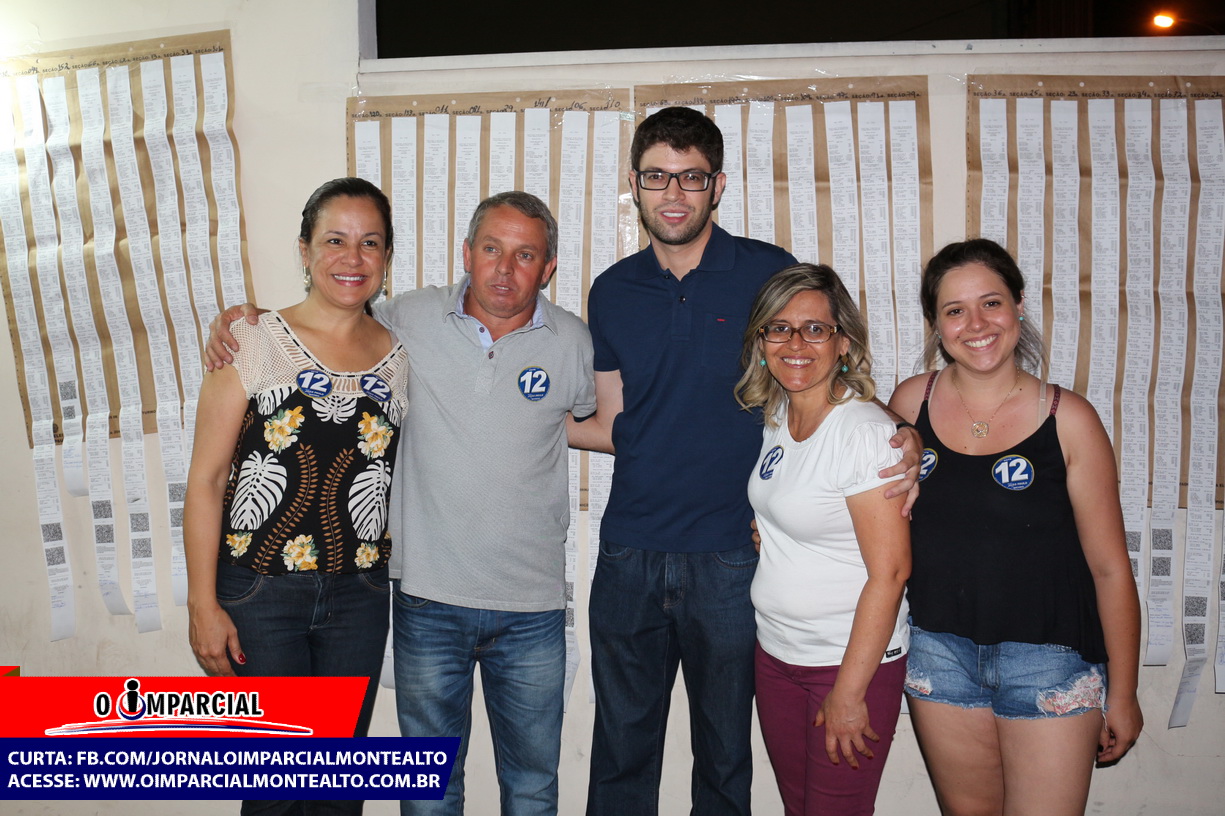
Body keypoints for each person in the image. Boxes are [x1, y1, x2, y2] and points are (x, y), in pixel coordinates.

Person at [566, 106, 921, 816]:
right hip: (630, 550)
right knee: (620, 752)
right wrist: (510, 422)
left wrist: (901, 428)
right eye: (657, 177)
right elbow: (611, 423)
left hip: (733, 555)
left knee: (725, 757)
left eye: (691, 177)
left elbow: (822, 362)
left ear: (718, 185)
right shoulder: (611, 290)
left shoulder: (767, 271)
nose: (673, 193)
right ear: (633, 185)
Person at [206, 191, 596, 816]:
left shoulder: (560, 341)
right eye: (491, 249)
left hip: (453, 602)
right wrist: (238, 319)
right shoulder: (402, 322)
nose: (504, 268)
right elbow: (210, 474)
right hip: (378, 598)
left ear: (548, 267)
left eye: (525, 255)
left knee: (514, 788)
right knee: (320, 790)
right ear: (466, 253)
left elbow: (585, 419)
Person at [887, 239, 1143, 816]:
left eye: (991, 303)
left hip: (1051, 659)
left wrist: (1123, 694)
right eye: (955, 310)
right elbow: (865, 507)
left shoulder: (1069, 419)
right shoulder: (908, 402)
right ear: (936, 324)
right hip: (938, 653)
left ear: (1019, 306)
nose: (976, 324)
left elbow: (1109, 569)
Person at [186, 177, 407, 816]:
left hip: (360, 597)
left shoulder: (400, 356)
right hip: (260, 595)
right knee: (275, 795)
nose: (352, 257)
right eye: (334, 240)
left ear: (387, 257)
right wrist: (202, 604)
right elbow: (206, 481)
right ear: (304, 251)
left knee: (337, 792)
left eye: (370, 243)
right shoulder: (252, 342)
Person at [735, 264, 910, 816]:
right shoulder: (778, 415)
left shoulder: (864, 433)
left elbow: (891, 573)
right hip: (778, 653)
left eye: (815, 329)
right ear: (761, 341)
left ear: (843, 343)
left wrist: (851, 692)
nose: (795, 344)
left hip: (845, 663)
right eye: (779, 328)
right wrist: (771, 528)